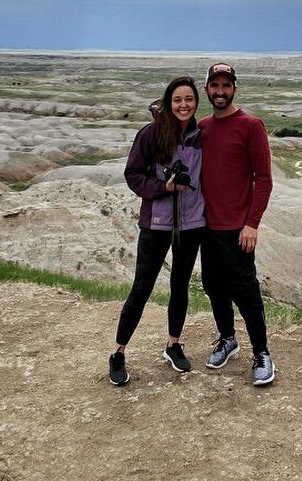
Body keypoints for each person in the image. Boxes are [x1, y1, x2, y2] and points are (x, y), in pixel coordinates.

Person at [108, 76, 204, 386]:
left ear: (195, 103)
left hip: (191, 224)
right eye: (177, 99)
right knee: (142, 287)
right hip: (156, 224)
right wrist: (163, 187)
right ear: (169, 101)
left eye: (189, 99)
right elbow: (133, 175)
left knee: (180, 286)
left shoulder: (201, 137)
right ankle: (118, 352)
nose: (183, 105)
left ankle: (173, 344)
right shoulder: (150, 135)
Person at [198, 62, 276, 386]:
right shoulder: (201, 127)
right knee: (214, 287)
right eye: (214, 85)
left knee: (246, 293)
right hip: (206, 227)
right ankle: (228, 339)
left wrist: (251, 224)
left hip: (237, 230)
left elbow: (265, 179)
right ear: (207, 90)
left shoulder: (250, 125)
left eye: (225, 85)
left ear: (234, 88)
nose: (220, 91)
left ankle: (262, 353)